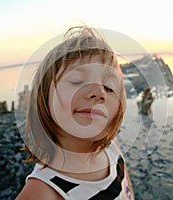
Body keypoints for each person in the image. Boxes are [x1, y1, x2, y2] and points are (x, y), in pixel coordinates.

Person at [16, 26, 134, 200]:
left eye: (109, 87)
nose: (99, 92)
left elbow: (127, 191)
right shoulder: (44, 193)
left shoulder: (112, 148)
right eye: (77, 81)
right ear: (44, 98)